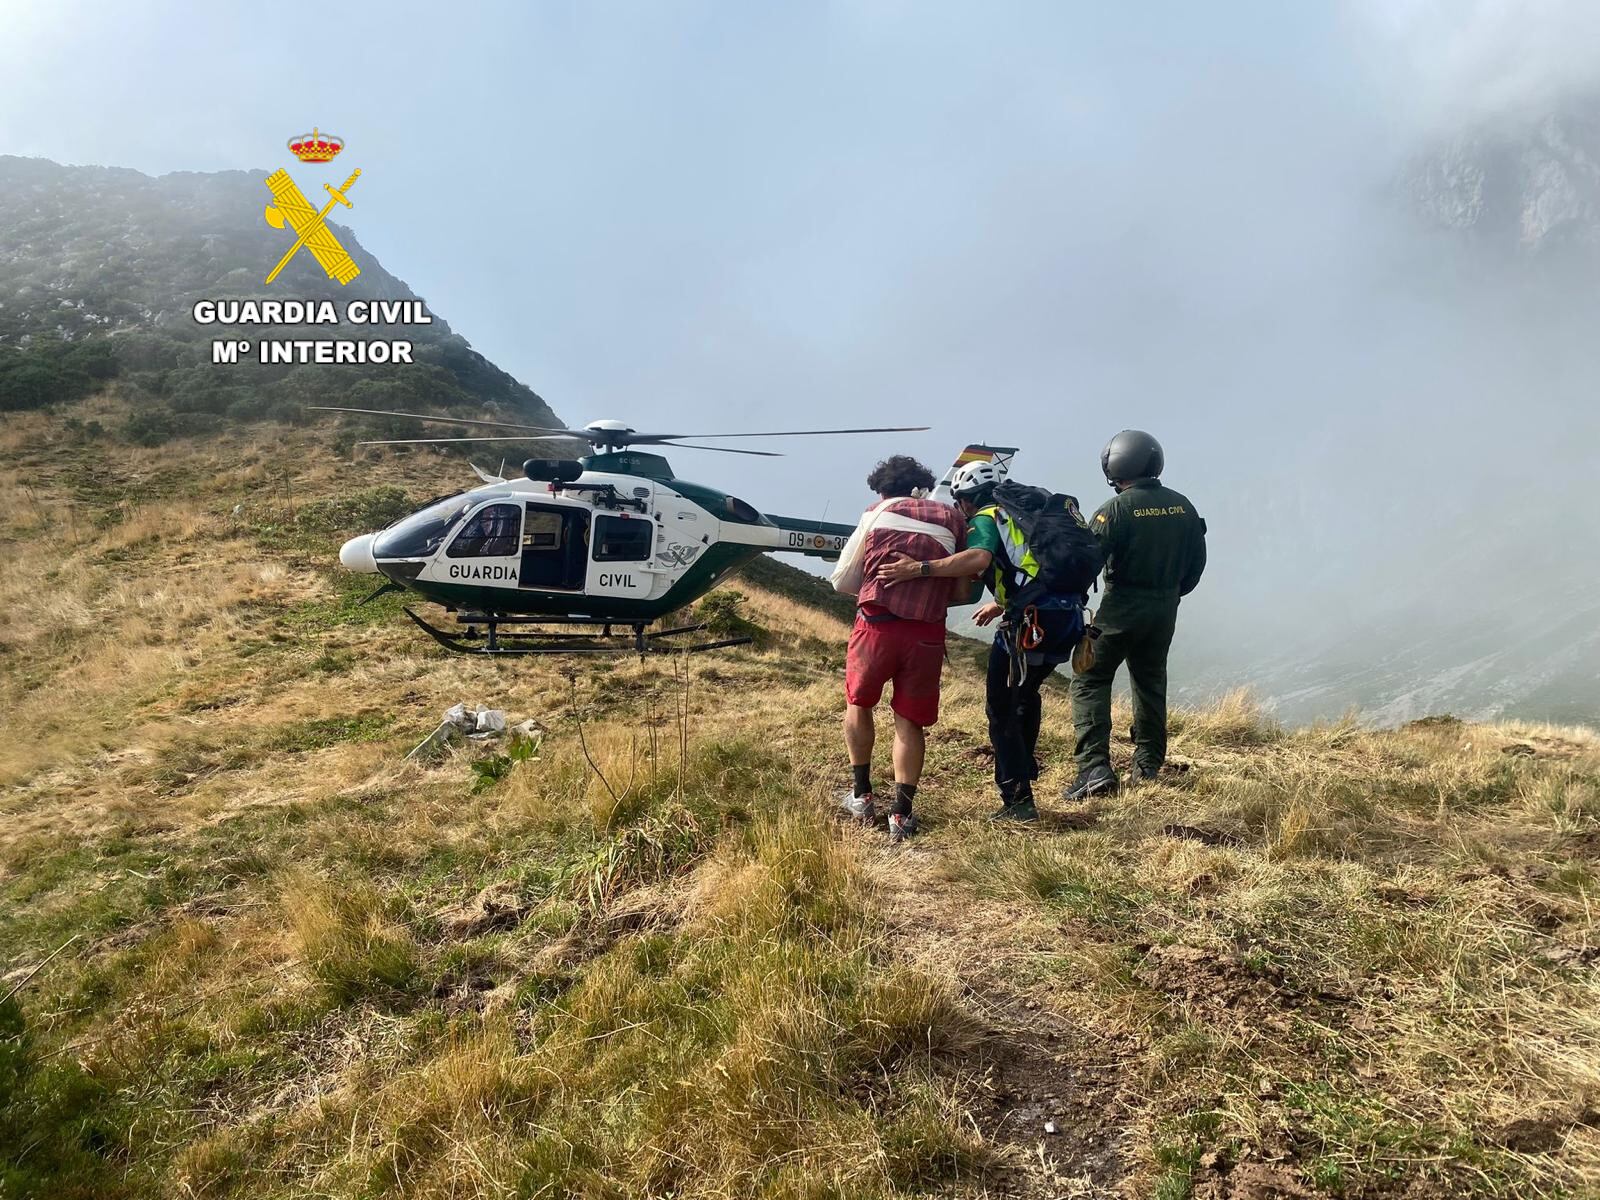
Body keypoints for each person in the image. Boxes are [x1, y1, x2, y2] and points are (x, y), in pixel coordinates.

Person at [878, 460, 1089, 822]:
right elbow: (1032, 567)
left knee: (1001, 708)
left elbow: (978, 557)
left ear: (964, 500)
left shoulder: (986, 517)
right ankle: (1024, 775)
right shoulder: (1023, 514)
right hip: (1065, 617)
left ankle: (1017, 799)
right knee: (1025, 696)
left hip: (1028, 624)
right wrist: (1001, 601)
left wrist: (919, 568)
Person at [1065, 430, 1207, 799]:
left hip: (1120, 606)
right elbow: (1196, 566)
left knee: (1090, 678)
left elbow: (1085, 562)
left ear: (1115, 465)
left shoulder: (1113, 510)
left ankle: (1094, 768)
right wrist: (1170, 593)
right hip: (1165, 608)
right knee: (1149, 681)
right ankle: (1148, 765)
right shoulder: (1183, 505)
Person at [834, 455, 969, 842]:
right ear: (921, 485)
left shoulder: (876, 511)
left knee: (859, 704)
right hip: (926, 633)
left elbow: (844, 579)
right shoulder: (952, 518)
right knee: (909, 720)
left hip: (875, 627)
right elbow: (960, 588)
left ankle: (862, 796)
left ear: (882, 488)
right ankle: (901, 816)